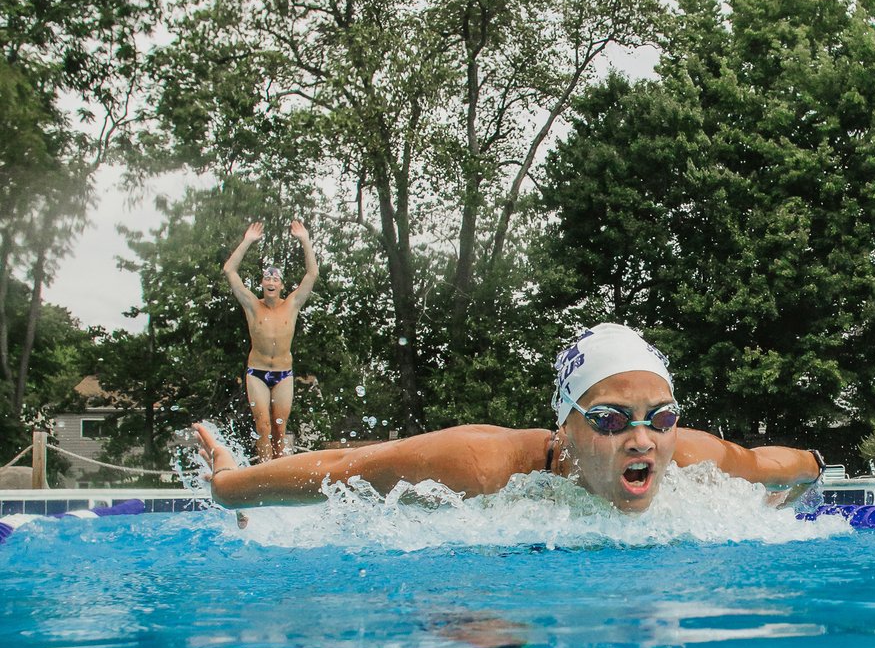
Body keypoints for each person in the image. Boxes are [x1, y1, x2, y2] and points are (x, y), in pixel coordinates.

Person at [196, 322, 823, 512]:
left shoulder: (685, 453)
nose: (643, 438)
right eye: (610, 420)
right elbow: (344, 469)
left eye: (660, 417)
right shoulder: (480, 465)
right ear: (566, 427)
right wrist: (228, 488)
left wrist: (795, 488)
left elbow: (781, 465)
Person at [223, 219, 319, 461]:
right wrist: (247, 241)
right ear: (262, 284)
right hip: (257, 372)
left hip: (284, 374)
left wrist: (305, 239)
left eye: (275, 279)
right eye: (267, 279)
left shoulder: (292, 304)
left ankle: (278, 473)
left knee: (279, 429)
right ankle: (263, 473)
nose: (271, 282)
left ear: (282, 286)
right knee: (263, 426)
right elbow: (229, 271)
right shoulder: (253, 306)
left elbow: (312, 273)